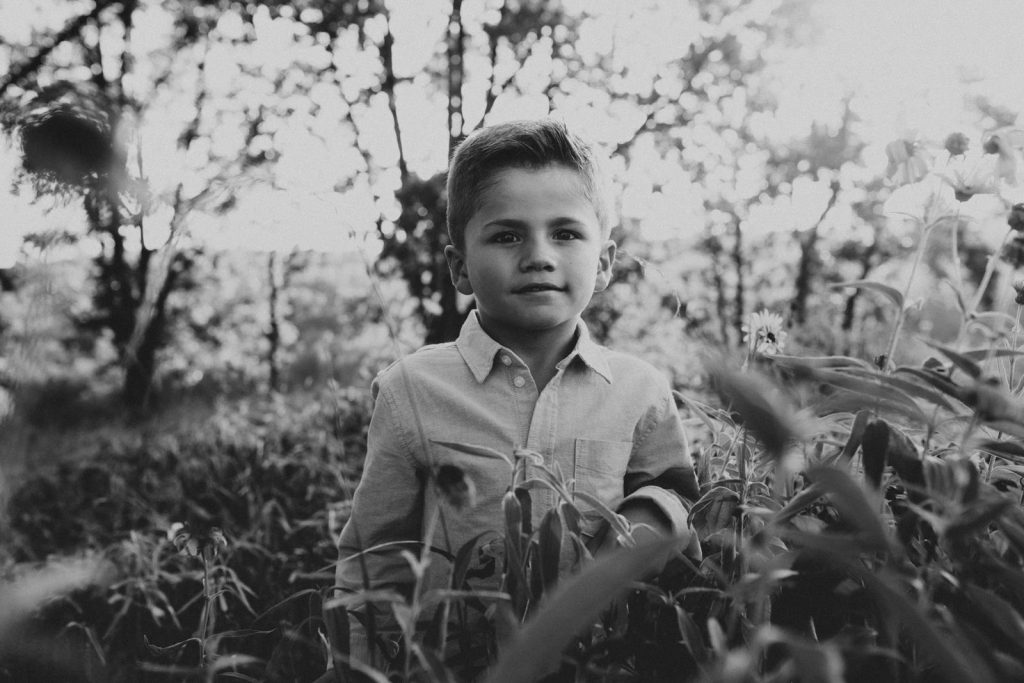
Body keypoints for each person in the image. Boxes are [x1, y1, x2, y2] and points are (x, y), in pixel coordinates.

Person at [332, 118, 699, 670]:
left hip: (601, 665)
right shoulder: (411, 389)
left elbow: (683, 507)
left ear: (603, 263)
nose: (538, 255)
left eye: (566, 233)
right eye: (507, 235)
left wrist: (644, 523)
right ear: (459, 267)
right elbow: (373, 558)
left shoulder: (639, 390)